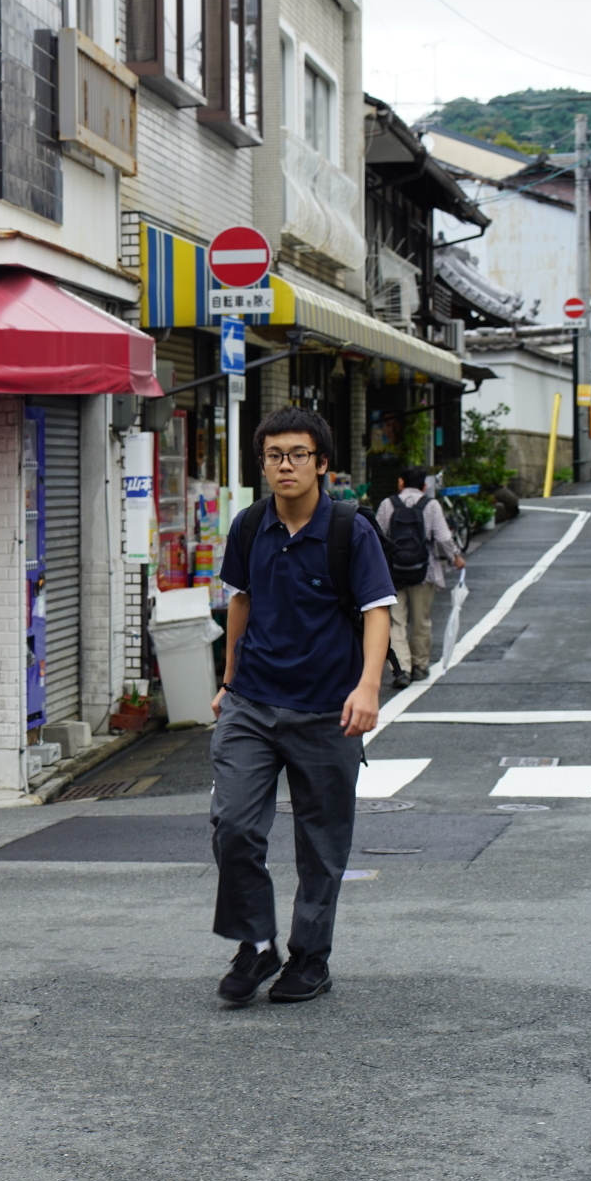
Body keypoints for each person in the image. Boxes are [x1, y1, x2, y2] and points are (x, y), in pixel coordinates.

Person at [212, 407, 395, 1006]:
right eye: (273, 455)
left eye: (297, 454)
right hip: (252, 704)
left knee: (321, 843)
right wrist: (228, 678)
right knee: (234, 825)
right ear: (262, 464)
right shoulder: (248, 526)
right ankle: (255, 942)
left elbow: (376, 612)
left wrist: (367, 687)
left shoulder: (350, 530)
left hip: (326, 711)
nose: (284, 465)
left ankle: (310, 958)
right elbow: (240, 602)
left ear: (321, 463)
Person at [375, 465, 464, 687]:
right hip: (424, 571)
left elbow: (376, 536)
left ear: (401, 483)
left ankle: (400, 669)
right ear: (424, 486)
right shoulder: (431, 505)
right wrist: (455, 557)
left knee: (395, 623)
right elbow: (443, 537)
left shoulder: (388, 504)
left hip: (393, 573)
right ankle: (419, 666)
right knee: (421, 622)